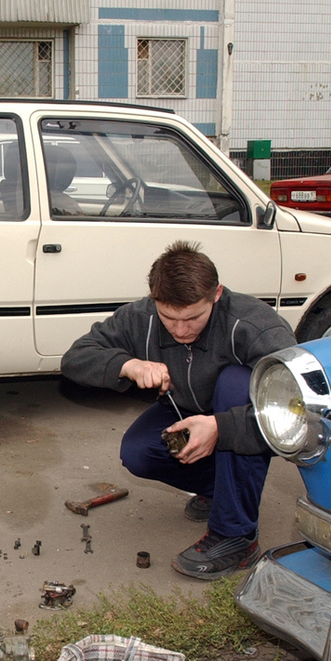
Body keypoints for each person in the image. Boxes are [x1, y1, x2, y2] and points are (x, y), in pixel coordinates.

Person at [60, 241, 296, 580]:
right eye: (169, 318)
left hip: (246, 421)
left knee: (235, 381)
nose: (181, 330)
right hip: (186, 411)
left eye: (193, 318)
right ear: (154, 300)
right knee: (138, 452)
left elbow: (297, 401)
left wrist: (221, 427)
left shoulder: (254, 324)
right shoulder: (140, 317)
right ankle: (221, 488)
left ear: (217, 294)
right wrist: (128, 365)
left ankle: (236, 536)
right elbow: (75, 357)